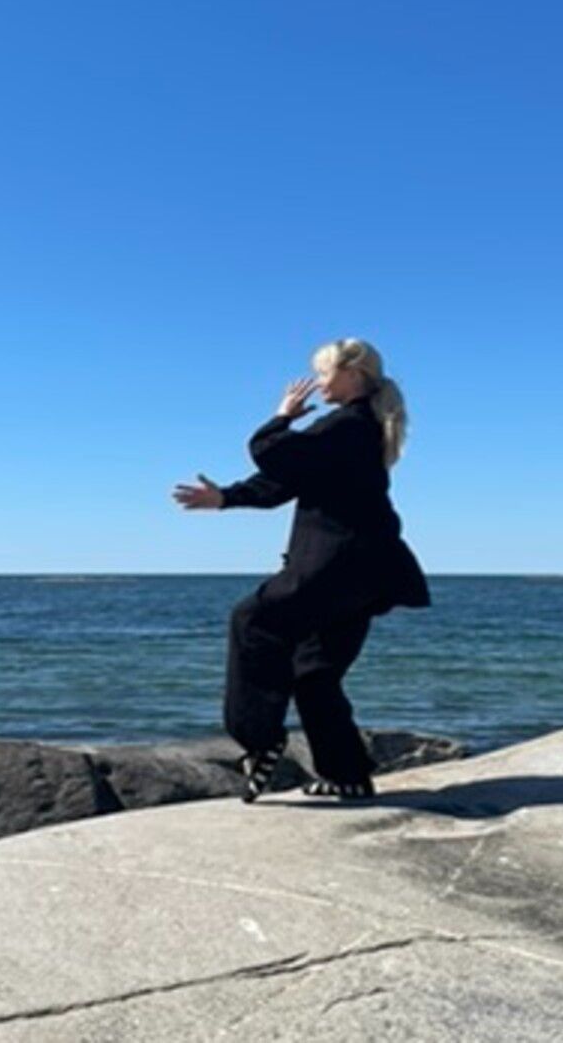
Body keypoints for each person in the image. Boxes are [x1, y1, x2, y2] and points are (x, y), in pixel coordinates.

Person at [172, 337, 430, 803]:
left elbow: (273, 452)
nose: (317, 381)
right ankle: (347, 775)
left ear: (353, 374)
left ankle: (261, 739)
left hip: (338, 565)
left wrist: (282, 417)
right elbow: (283, 480)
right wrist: (225, 498)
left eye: (324, 372)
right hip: (369, 571)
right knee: (314, 672)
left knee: (251, 620)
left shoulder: (348, 424)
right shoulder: (357, 427)